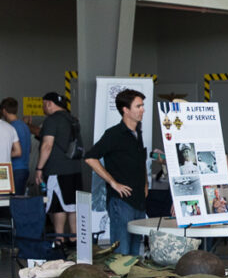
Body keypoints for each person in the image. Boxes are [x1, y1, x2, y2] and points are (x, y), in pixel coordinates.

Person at [84, 89, 148, 256]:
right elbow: (90, 157)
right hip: (121, 202)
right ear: (125, 110)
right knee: (122, 251)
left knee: (135, 251)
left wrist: (146, 183)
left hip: (139, 200)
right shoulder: (113, 134)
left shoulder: (138, 133)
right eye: (138, 106)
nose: (142, 109)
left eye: (142, 106)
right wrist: (113, 183)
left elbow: (139, 162)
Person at [34, 92, 82, 244]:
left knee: (57, 205)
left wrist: (39, 168)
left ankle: (59, 239)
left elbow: (47, 145)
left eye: (43, 105)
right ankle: (74, 237)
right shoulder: (73, 119)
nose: (43, 108)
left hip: (57, 169)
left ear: (49, 103)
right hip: (74, 168)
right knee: (73, 204)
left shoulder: (52, 120)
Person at [1, 98, 30, 194]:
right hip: (25, 168)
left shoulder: (11, 127)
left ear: (4, 111)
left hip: (15, 169)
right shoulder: (24, 126)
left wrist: (4, 153)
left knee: (12, 203)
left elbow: (17, 152)